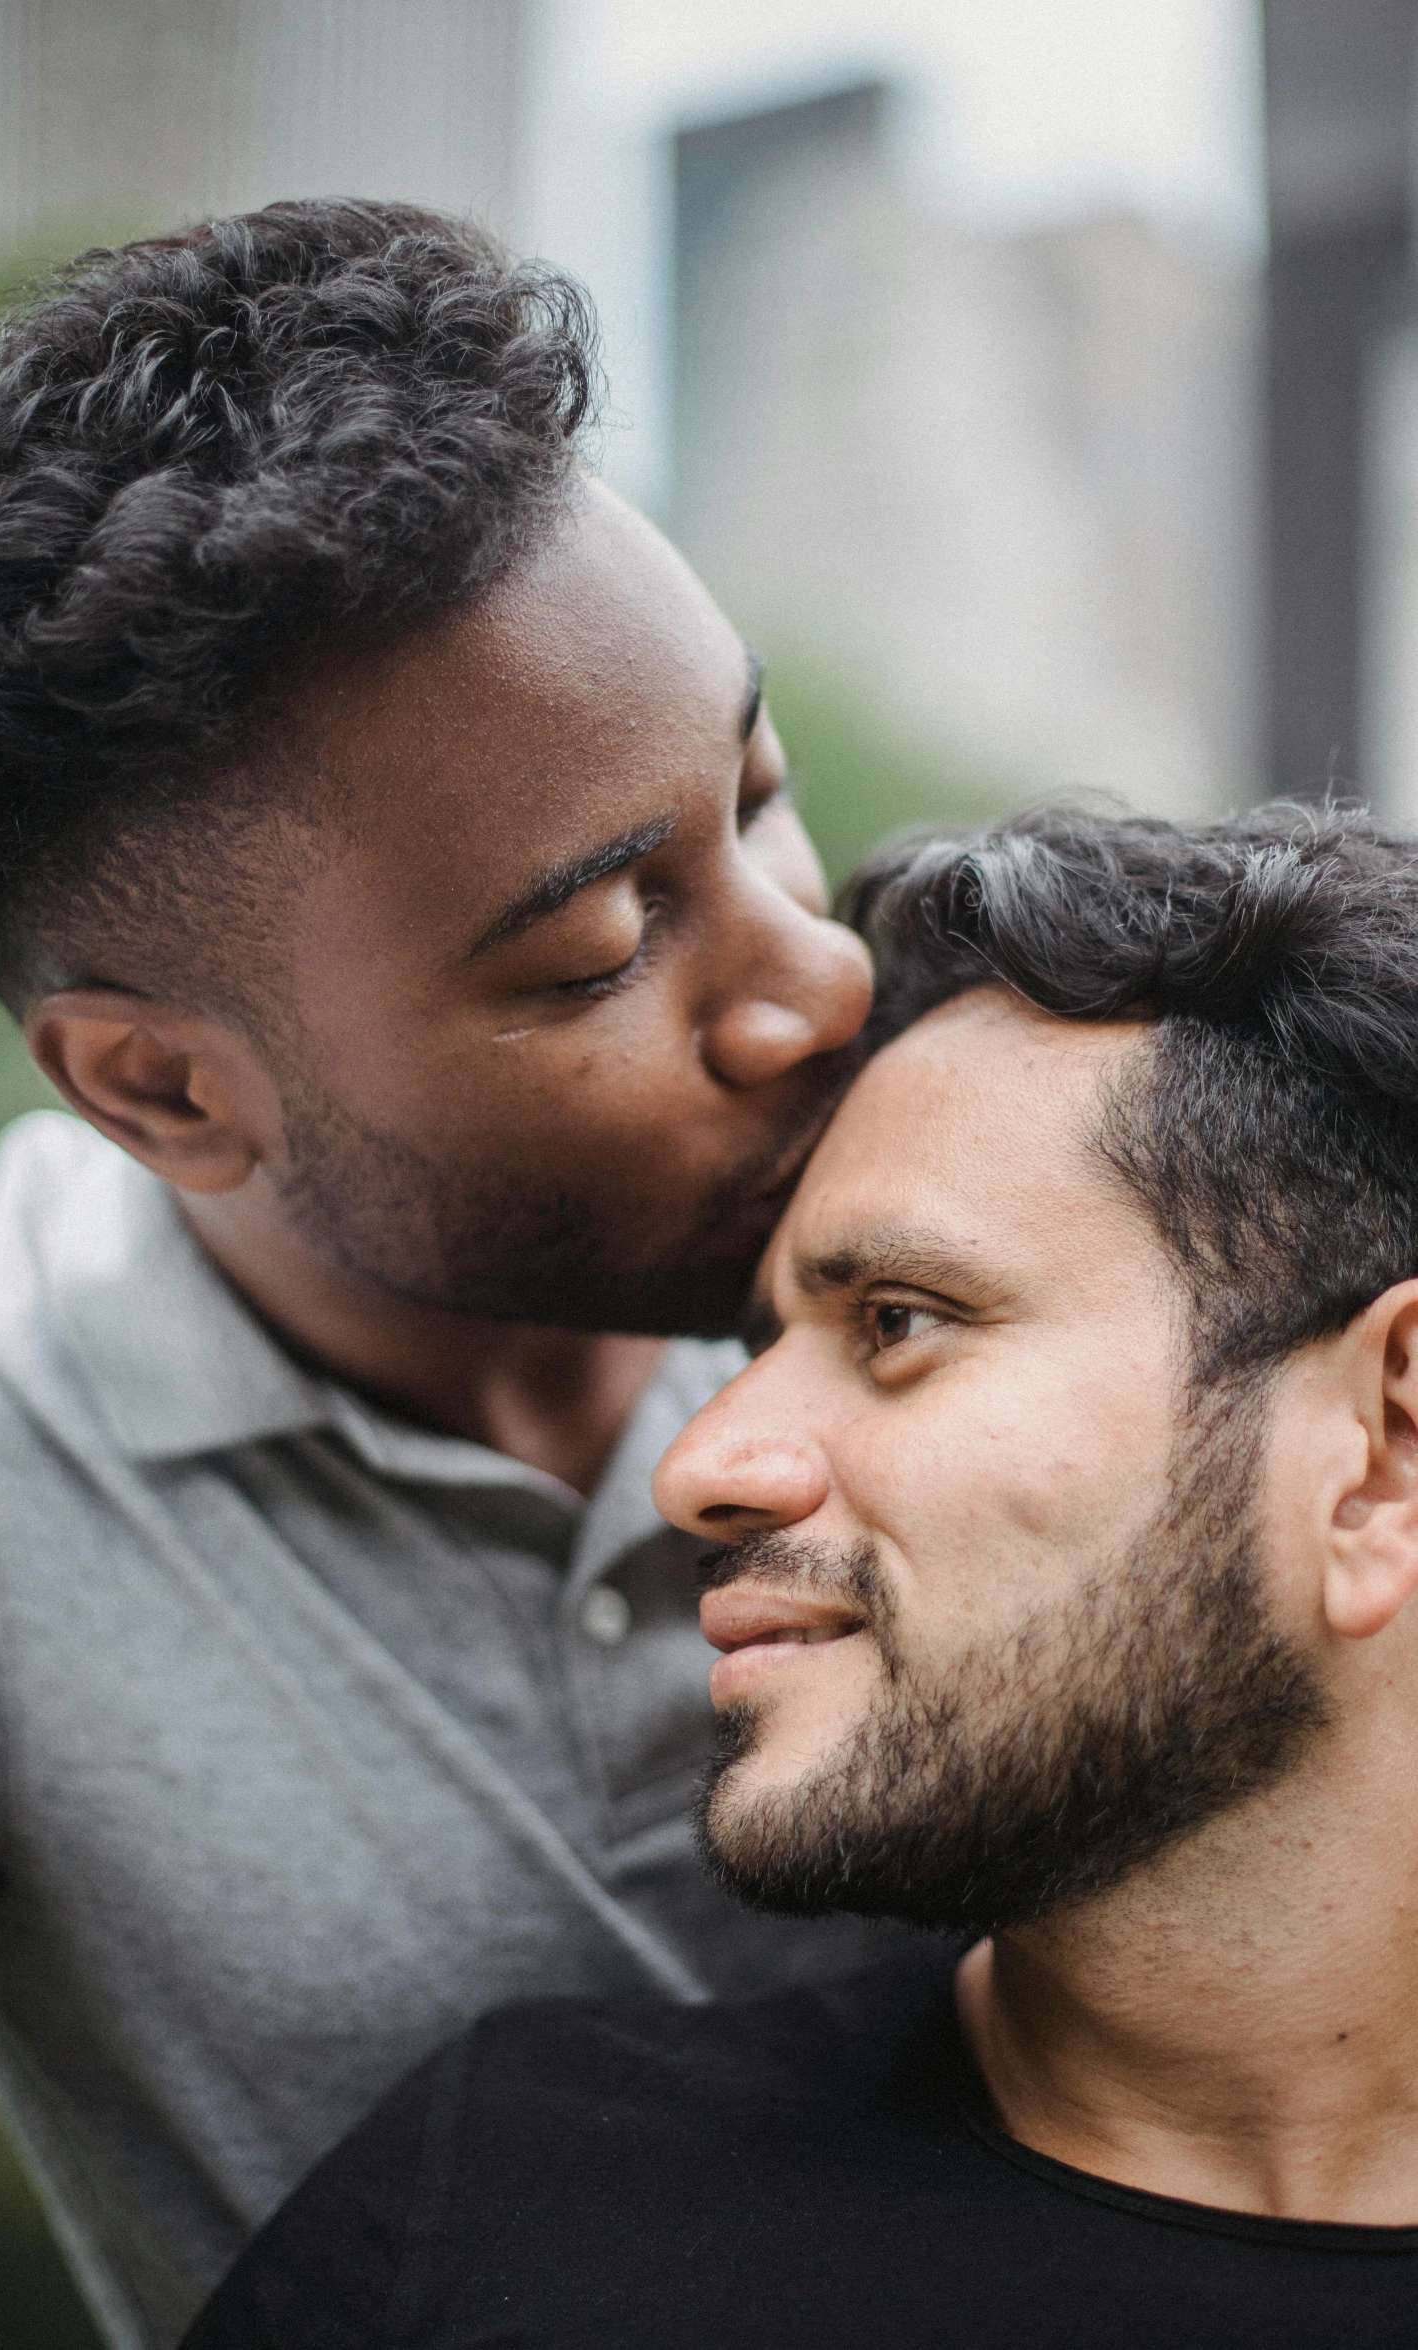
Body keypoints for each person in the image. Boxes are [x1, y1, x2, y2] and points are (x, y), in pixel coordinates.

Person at [0, 200, 886, 2350]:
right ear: (160, 1090)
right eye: (604, 948)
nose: (822, 978)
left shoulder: (1013, 1247)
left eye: (760, 793)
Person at [186, 804, 1418, 2350]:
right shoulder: (507, 2210)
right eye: (757, 1340)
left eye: (896, 1318)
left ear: (1380, 1444)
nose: (699, 1463)